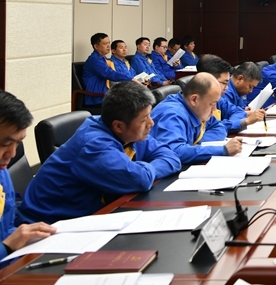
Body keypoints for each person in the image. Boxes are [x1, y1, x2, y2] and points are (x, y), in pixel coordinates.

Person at [19, 82, 181, 224]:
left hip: (91, 216)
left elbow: (171, 157)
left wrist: (143, 169)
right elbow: (140, 179)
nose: (151, 123)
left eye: (149, 115)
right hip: (48, 227)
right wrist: (144, 170)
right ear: (118, 126)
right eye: (144, 119)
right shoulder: (94, 145)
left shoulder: (130, 133)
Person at [0, 91, 57, 263]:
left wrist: (28, 236)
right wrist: (6, 247)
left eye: (18, 143)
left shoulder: (2, 172)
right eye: (4, 144)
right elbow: (7, 243)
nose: (12, 154)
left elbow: (7, 226)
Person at [150, 73, 242, 165]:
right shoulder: (172, 114)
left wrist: (196, 146)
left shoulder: (196, 108)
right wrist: (223, 150)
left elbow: (219, 127)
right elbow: (173, 152)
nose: (214, 110)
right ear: (194, 99)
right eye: (212, 104)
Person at [82, 33, 137, 108]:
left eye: (109, 43)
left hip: (107, 95)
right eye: (105, 44)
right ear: (96, 46)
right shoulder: (94, 60)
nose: (108, 46)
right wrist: (131, 79)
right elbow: (109, 73)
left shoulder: (102, 58)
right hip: (98, 98)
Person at [219, 62, 267, 132]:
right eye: (250, 86)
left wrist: (244, 110)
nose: (251, 91)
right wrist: (246, 118)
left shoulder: (240, 90)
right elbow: (230, 121)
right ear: (240, 79)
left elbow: (237, 111)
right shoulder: (224, 92)